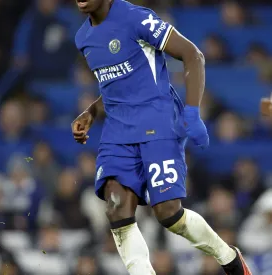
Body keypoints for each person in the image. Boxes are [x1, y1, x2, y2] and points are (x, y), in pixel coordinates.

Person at [70, 0, 252, 274]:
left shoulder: (137, 18)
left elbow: (193, 55)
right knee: (116, 208)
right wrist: (91, 112)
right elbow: (115, 86)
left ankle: (228, 257)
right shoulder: (83, 37)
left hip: (158, 121)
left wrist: (192, 113)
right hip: (118, 131)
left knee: (169, 214)